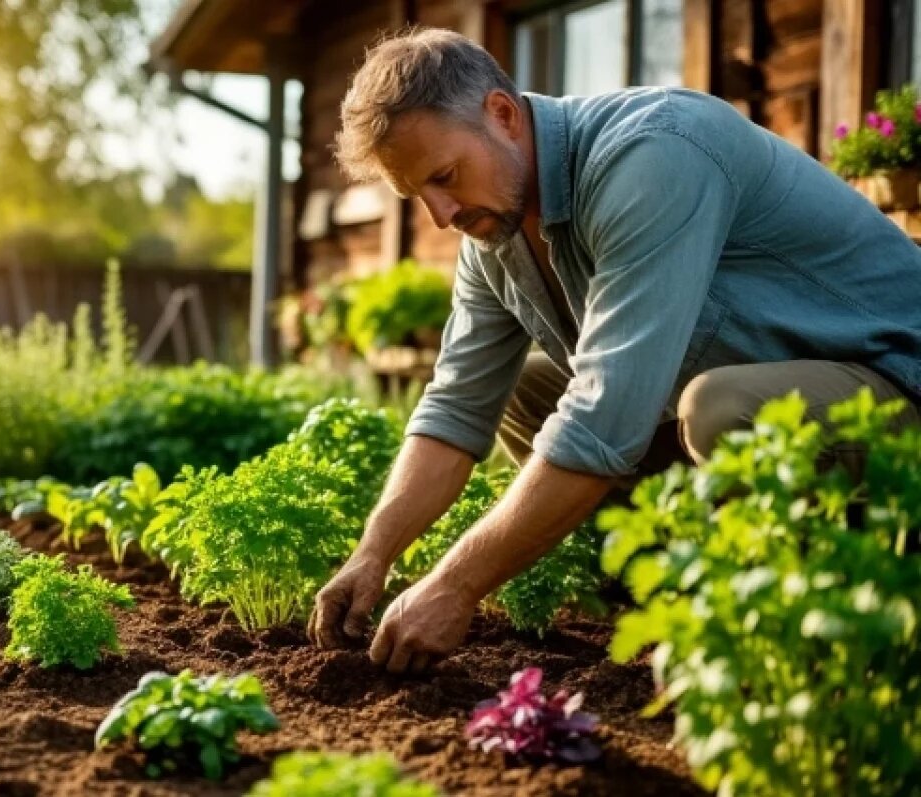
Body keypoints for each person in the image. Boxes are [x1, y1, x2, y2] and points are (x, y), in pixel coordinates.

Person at [306, 27, 921, 674]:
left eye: (445, 177)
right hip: (789, 400)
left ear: (503, 115)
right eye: (419, 195)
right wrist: (372, 554)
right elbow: (456, 408)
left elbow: (603, 420)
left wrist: (455, 585)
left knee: (722, 409)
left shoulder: (653, 154)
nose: (440, 214)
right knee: (528, 393)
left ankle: (819, 630)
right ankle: (665, 602)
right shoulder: (493, 230)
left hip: (897, 382)